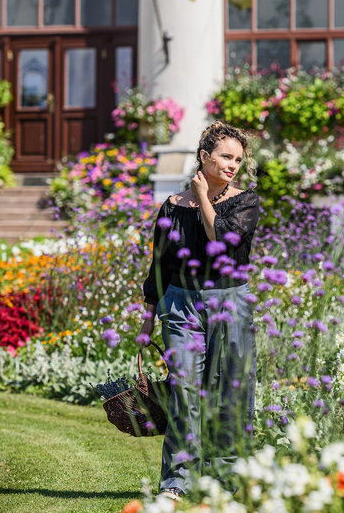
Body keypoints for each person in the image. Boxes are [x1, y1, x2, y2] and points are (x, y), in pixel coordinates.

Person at [139, 121, 260, 502]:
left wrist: (203, 196)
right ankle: (177, 483)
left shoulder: (245, 201)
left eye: (239, 159)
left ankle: (224, 483)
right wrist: (147, 317)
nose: (233, 165)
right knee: (185, 392)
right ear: (204, 156)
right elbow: (159, 265)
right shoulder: (171, 206)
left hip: (229, 303)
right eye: (226, 156)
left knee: (228, 392)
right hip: (180, 304)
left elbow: (219, 239)